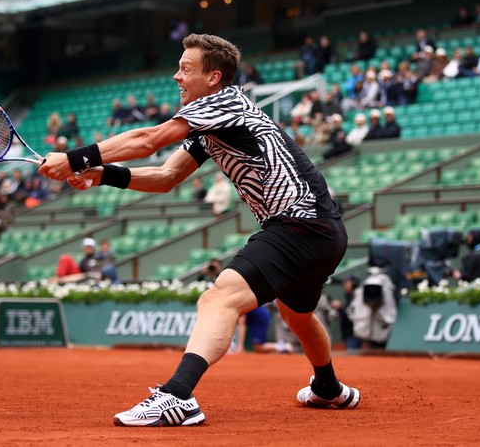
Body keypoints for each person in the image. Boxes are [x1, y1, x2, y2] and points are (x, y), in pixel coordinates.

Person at [39, 33, 360, 426]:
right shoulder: (212, 123)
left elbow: (147, 140)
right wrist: (102, 174)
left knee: (218, 298)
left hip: (300, 224)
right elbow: (165, 175)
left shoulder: (222, 103)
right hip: (322, 230)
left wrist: (74, 158)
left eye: (186, 69)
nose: (176, 76)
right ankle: (329, 388)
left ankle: (177, 396)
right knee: (297, 315)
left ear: (214, 78)